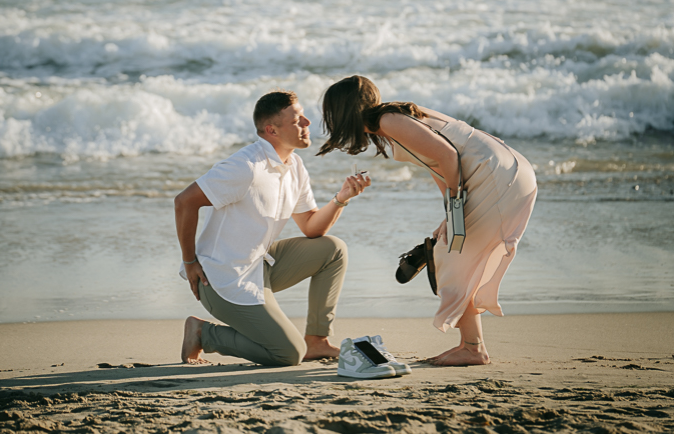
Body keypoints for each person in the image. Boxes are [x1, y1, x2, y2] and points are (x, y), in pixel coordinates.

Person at [318, 75, 537, 366]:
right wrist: (450, 214)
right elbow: (436, 163)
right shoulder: (392, 119)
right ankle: (472, 346)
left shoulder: (388, 121)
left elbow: (448, 156)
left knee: (450, 256)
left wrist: (456, 204)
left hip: (494, 175)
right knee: (451, 252)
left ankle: (473, 348)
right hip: (504, 169)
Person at [175, 89, 370, 368]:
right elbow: (184, 202)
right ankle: (204, 333)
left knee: (333, 250)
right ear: (272, 130)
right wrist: (189, 260)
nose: (307, 124)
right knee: (288, 354)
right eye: (297, 120)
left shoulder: (295, 166)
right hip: (221, 279)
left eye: (304, 117)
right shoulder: (245, 166)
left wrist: (341, 199)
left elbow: (312, 228)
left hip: (260, 266)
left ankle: (317, 341)